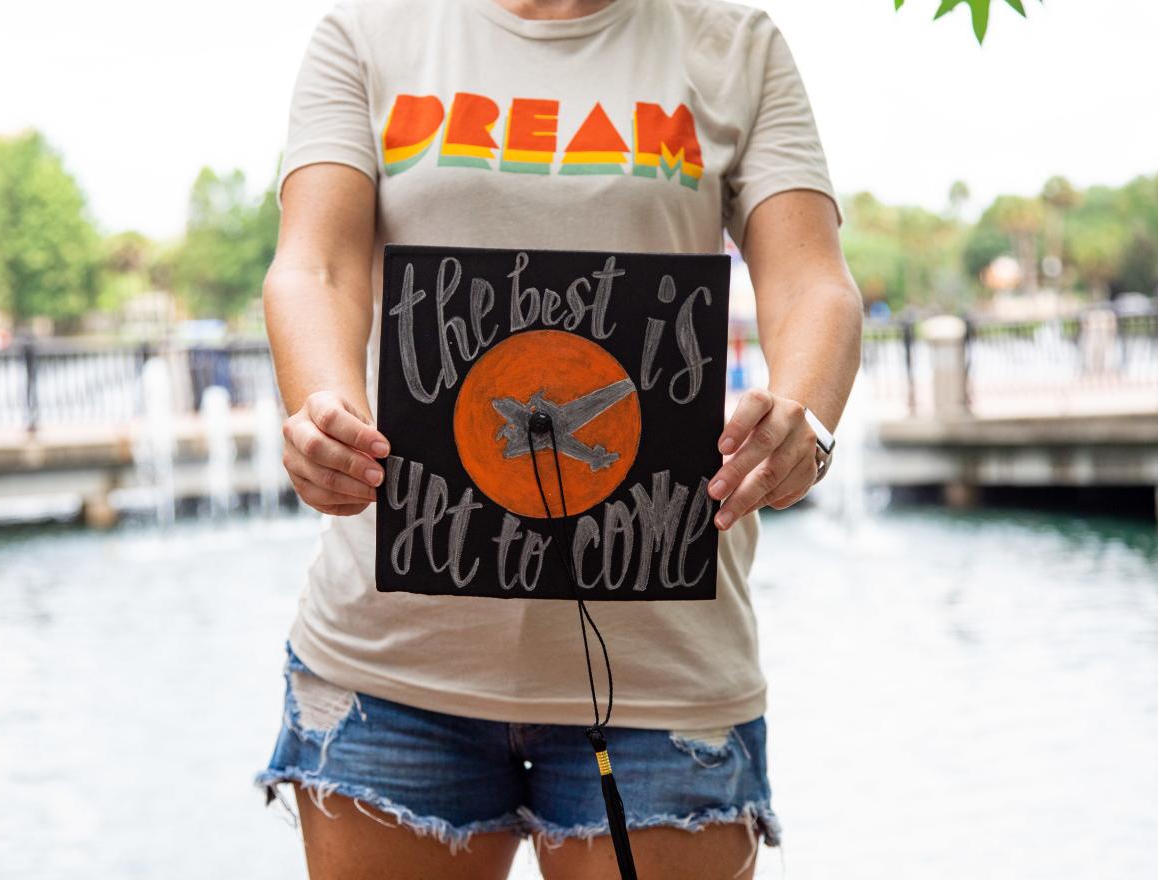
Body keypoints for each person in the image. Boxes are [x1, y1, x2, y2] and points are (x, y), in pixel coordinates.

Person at [254, 0, 863, 877]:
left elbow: (814, 282)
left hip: (665, 669)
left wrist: (806, 419)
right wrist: (324, 410)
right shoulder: (368, 31)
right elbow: (315, 266)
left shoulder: (735, 44)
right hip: (390, 668)